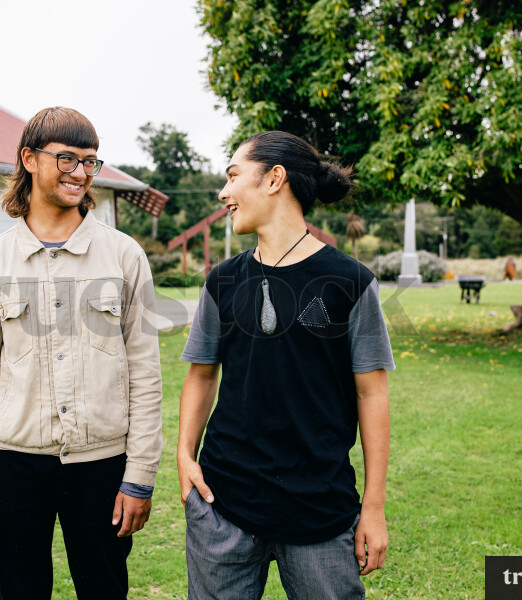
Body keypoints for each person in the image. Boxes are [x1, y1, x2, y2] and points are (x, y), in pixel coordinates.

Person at [0, 107, 163, 600]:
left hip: (102, 464)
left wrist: (140, 476)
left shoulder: (125, 257)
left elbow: (146, 376)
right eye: (66, 159)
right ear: (29, 160)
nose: (80, 173)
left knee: (105, 590)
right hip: (11, 463)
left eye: (90, 161)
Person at [177, 131, 395, 599]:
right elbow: (200, 374)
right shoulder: (223, 280)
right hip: (223, 507)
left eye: (234, 176)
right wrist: (183, 456)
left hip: (319, 511)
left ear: (275, 179)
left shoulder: (351, 282)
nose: (224, 193)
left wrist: (373, 507)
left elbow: (371, 394)